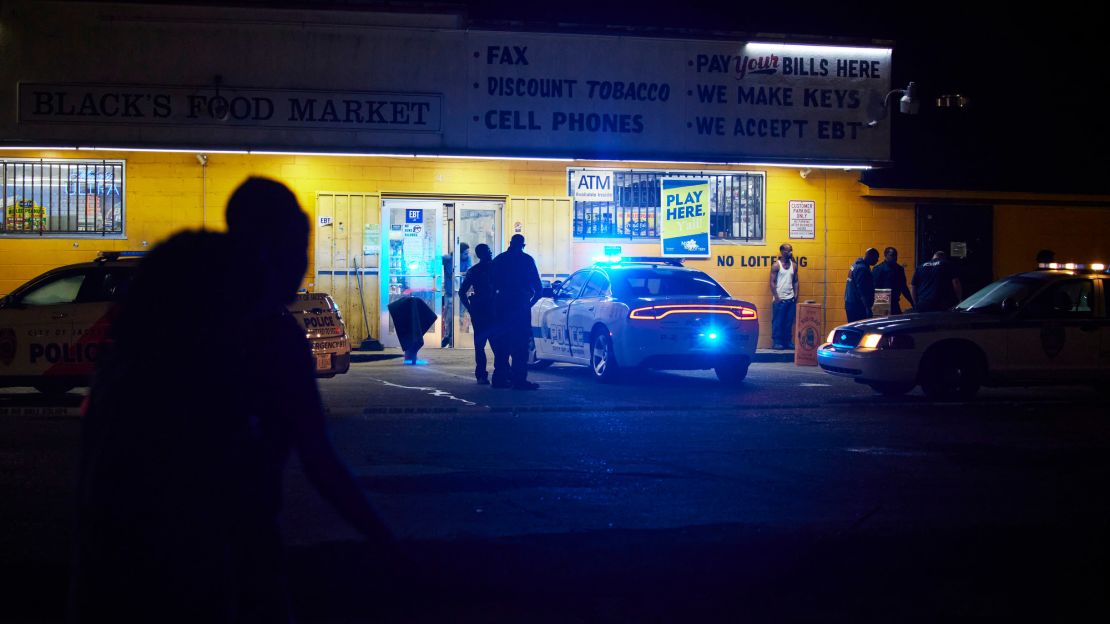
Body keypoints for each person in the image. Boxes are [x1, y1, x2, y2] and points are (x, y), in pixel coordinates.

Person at [71, 178, 393, 623]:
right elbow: (318, 457)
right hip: (219, 559)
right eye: (296, 245)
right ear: (269, 247)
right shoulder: (261, 333)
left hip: (117, 555)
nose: (300, 264)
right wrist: (386, 542)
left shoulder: (167, 295)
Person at [490, 234, 543, 390]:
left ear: (510, 243)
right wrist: (528, 303)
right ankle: (519, 380)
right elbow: (538, 288)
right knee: (520, 346)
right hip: (520, 306)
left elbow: (490, 285)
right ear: (523, 245)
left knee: (501, 344)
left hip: (501, 306)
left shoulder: (499, 260)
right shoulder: (527, 260)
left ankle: (499, 378)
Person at [459, 243, 496, 384]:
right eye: (488, 251)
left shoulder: (474, 270)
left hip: (480, 310)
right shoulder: (496, 269)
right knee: (496, 343)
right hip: (492, 310)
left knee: (480, 344)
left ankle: (481, 374)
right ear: (483, 254)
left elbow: (462, 292)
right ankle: (500, 372)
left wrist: (470, 307)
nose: (491, 252)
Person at [769, 243, 798, 349]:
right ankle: (777, 342)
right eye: (787, 250)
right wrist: (776, 297)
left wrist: (796, 295)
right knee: (778, 322)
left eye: (791, 250)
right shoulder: (776, 265)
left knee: (788, 322)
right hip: (779, 299)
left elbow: (796, 281)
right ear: (782, 251)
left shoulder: (794, 265)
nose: (790, 252)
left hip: (790, 299)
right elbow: (772, 282)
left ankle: (788, 342)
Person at [871, 246, 913, 315]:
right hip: (881, 302)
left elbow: (904, 288)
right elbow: (873, 288)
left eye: (896, 255)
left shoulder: (899, 269)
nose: (895, 257)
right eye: (892, 255)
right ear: (885, 256)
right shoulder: (878, 269)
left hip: (894, 302)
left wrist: (912, 302)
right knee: (882, 324)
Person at [844, 247, 880, 322]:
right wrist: (867, 308)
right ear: (870, 256)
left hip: (850, 303)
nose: (877, 261)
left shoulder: (855, 265)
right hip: (857, 306)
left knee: (853, 327)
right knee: (859, 329)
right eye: (876, 258)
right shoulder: (862, 269)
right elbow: (862, 290)